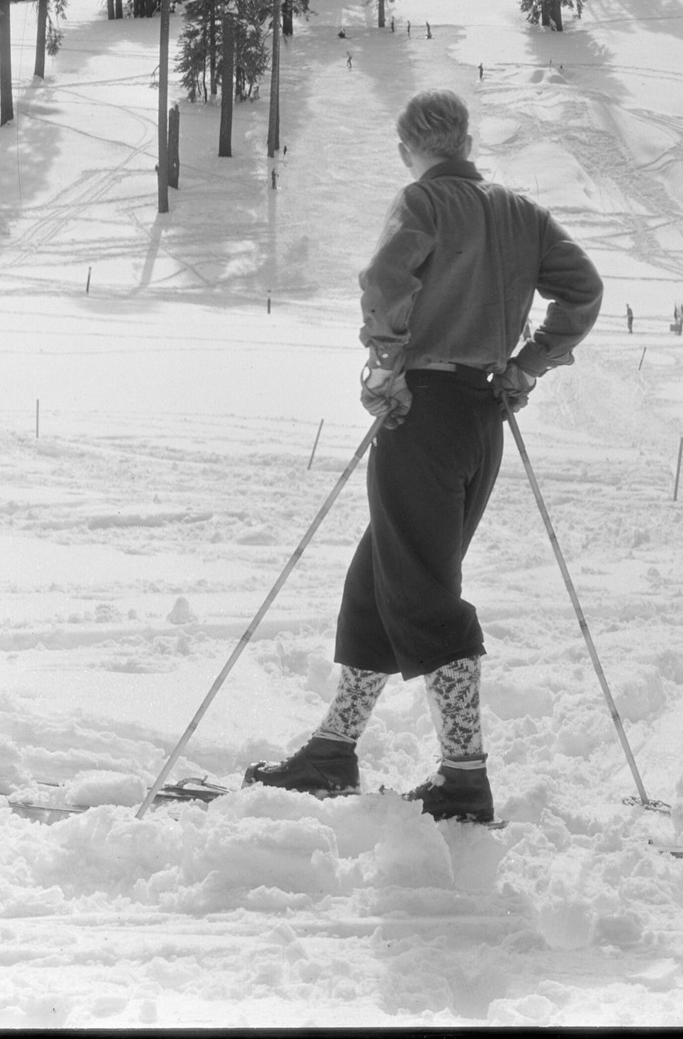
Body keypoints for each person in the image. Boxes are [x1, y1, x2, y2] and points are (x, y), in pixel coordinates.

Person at [245, 89, 602, 823]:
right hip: (482, 417)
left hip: (422, 411)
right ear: (466, 140)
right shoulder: (522, 212)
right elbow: (583, 291)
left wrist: (385, 364)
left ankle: (464, 775)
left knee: (421, 588)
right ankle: (333, 748)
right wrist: (527, 363)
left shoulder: (423, 200)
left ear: (409, 145)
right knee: (378, 577)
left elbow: (385, 281)